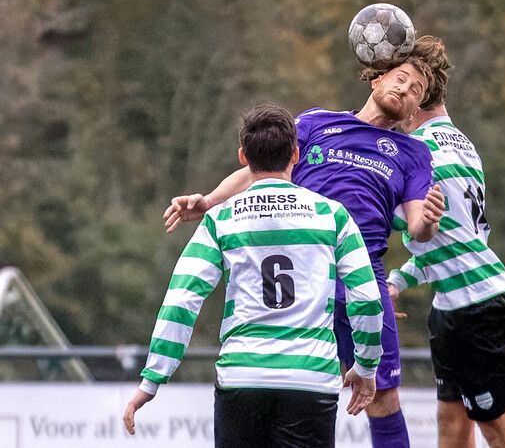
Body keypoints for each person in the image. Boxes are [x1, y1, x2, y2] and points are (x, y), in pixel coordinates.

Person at [161, 55, 446, 447]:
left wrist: (429, 221)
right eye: (400, 79)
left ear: (417, 108)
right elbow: (258, 170)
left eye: (415, 91)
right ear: (377, 79)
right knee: (282, 374)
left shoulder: (413, 154)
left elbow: (417, 227)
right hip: (305, 272)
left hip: (362, 275)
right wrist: (208, 201)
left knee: (383, 397)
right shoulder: (317, 123)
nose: (404, 90)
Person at [123, 105, 384, 448]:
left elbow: (182, 299)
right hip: (309, 379)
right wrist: (366, 366)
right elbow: (366, 298)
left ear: (243, 157)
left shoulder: (221, 219)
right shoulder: (332, 216)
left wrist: (152, 379)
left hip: (242, 376)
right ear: (295, 154)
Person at [387, 36, 505, 447]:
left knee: (499, 429)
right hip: (453, 306)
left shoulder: (421, 151)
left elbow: (397, 217)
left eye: (404, 84)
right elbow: (451, 240)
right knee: (451, 420)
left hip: (479, 308)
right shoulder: (460, 142)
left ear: (420, 93)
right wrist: (398, 280)